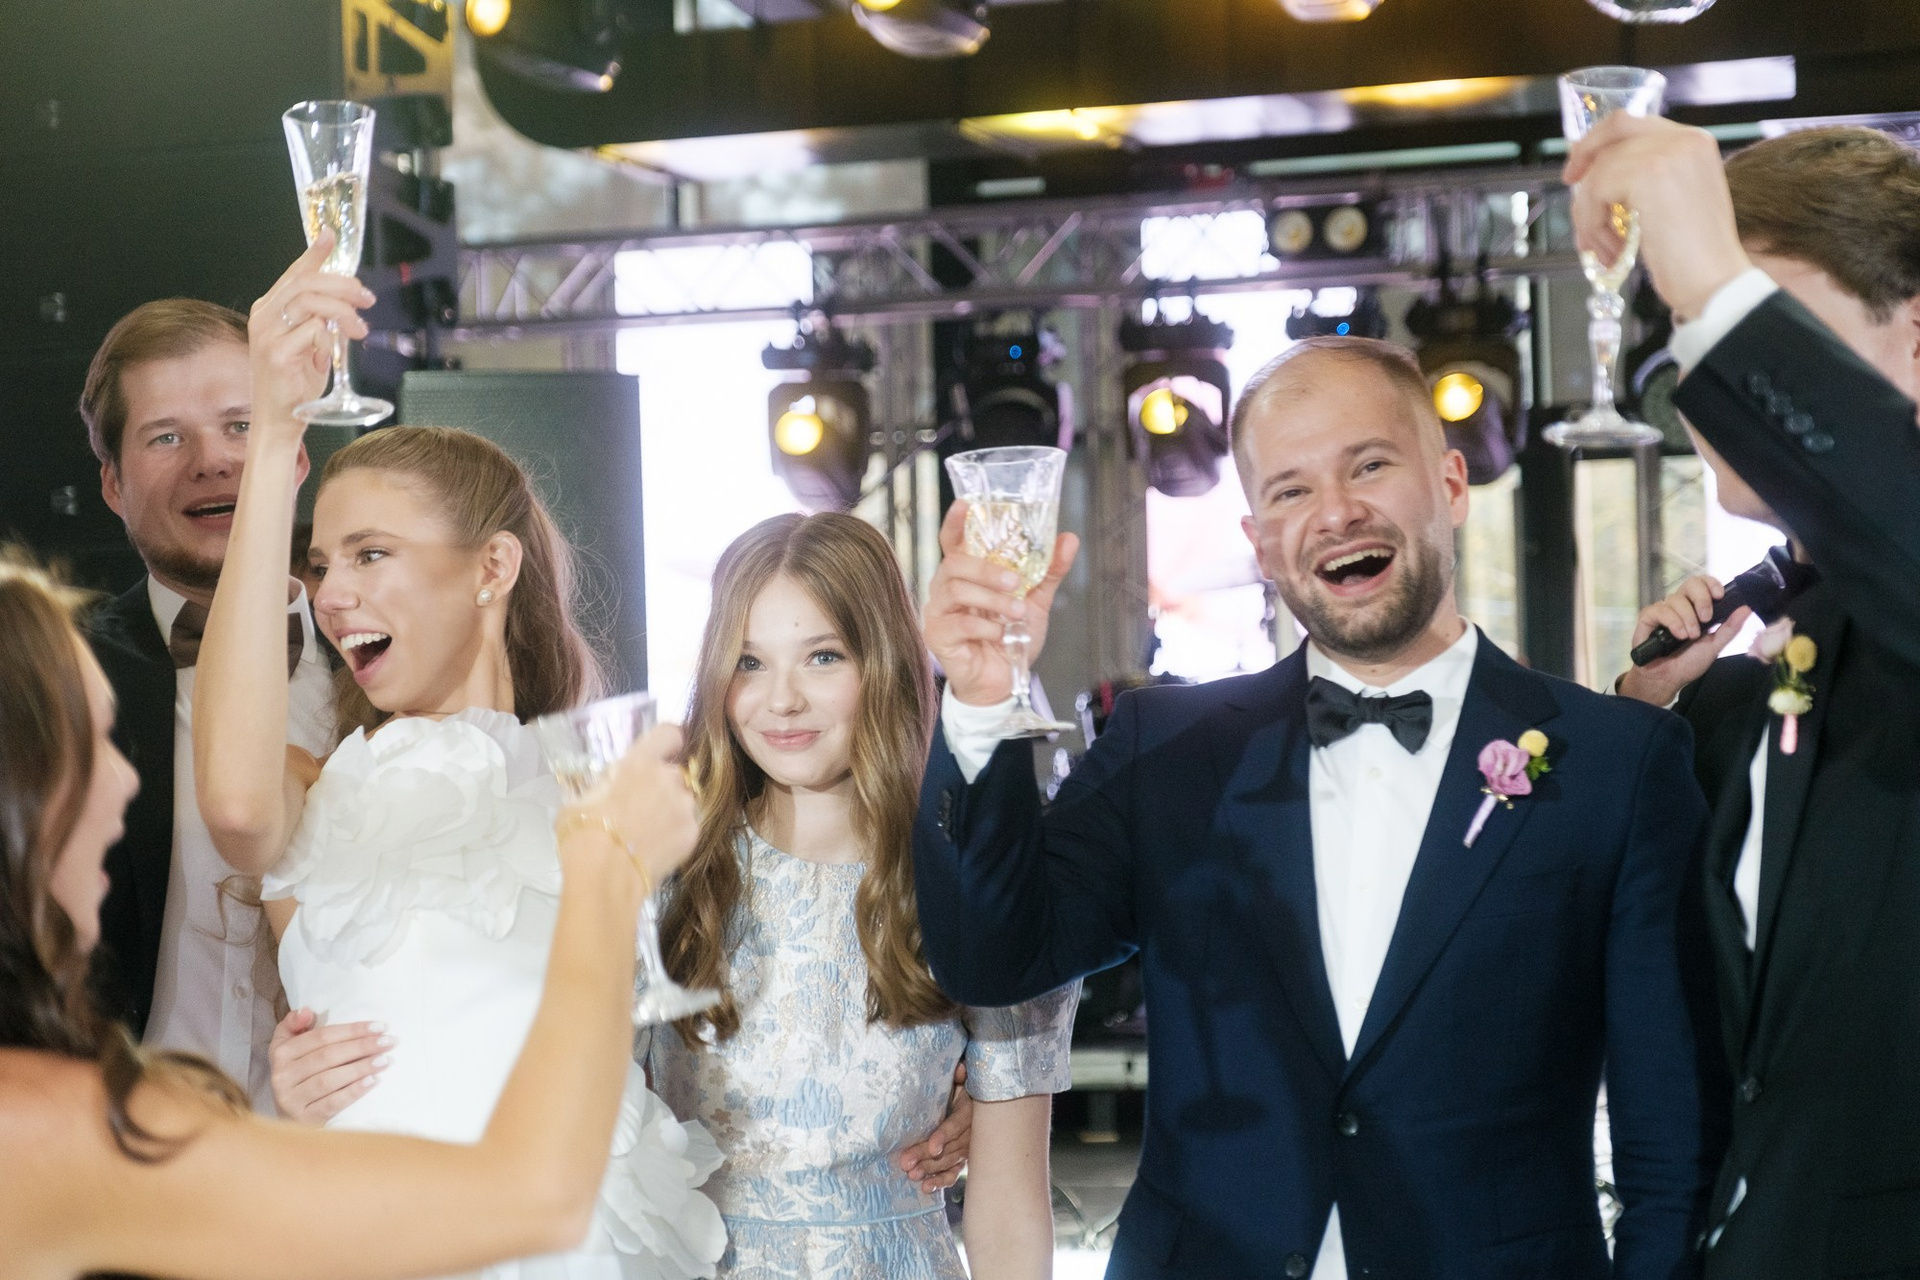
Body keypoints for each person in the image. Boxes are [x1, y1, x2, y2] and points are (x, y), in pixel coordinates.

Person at [915, 334, 1717, 1277]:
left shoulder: (1618, 764)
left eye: (1369, 466)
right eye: (1290, 490)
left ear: (1451, 484)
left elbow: (1672, 1144)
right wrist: (983, 699)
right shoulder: (1163, 750)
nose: (1336, 513)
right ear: (1259, 541)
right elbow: (995, 960)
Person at [191, 234, 726, 1278]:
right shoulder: (314, 796)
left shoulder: (610, 791)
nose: (332, 594)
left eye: (371, 554)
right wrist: (273, 434)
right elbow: (233, 803)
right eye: (320, 564)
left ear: (492, 568)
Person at [0, 548, 707, 1280]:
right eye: (92, 743)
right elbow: (536, 1198)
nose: (127, 779)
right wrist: (603, 875)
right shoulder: (48, 1126)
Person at [1589, 122, 1920, 1277]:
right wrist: (1648, 719)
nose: (1710, 381)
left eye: (1761, 319)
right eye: (1692, 336)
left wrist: (1714, 285)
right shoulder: (1755, 675)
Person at [649, 511, 1073, 1277]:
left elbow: (1010, 1206)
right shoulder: (664, 874)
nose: (781, 700)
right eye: (749, 663)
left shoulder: (969, 885)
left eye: (821, 657)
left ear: (882, 663)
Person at [79, 297, 337, 1110]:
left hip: (347, 1156)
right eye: (167, 437)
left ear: (294, 456)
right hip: (116, 1148)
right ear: (113, 485)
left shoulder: (383, 670)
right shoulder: (52, 678)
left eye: (240, 425)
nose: (213, 461)